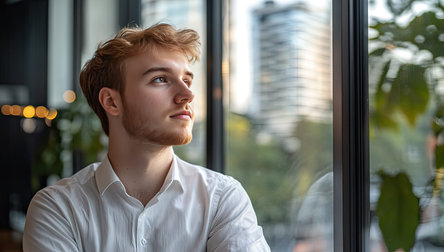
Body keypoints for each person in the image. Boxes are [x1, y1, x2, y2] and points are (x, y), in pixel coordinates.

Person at [23, 23, 270, 252]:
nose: (187, 94)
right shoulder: (57, 208)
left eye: (186, 80)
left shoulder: (222, 199)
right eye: (160, 79)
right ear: (112, 101)